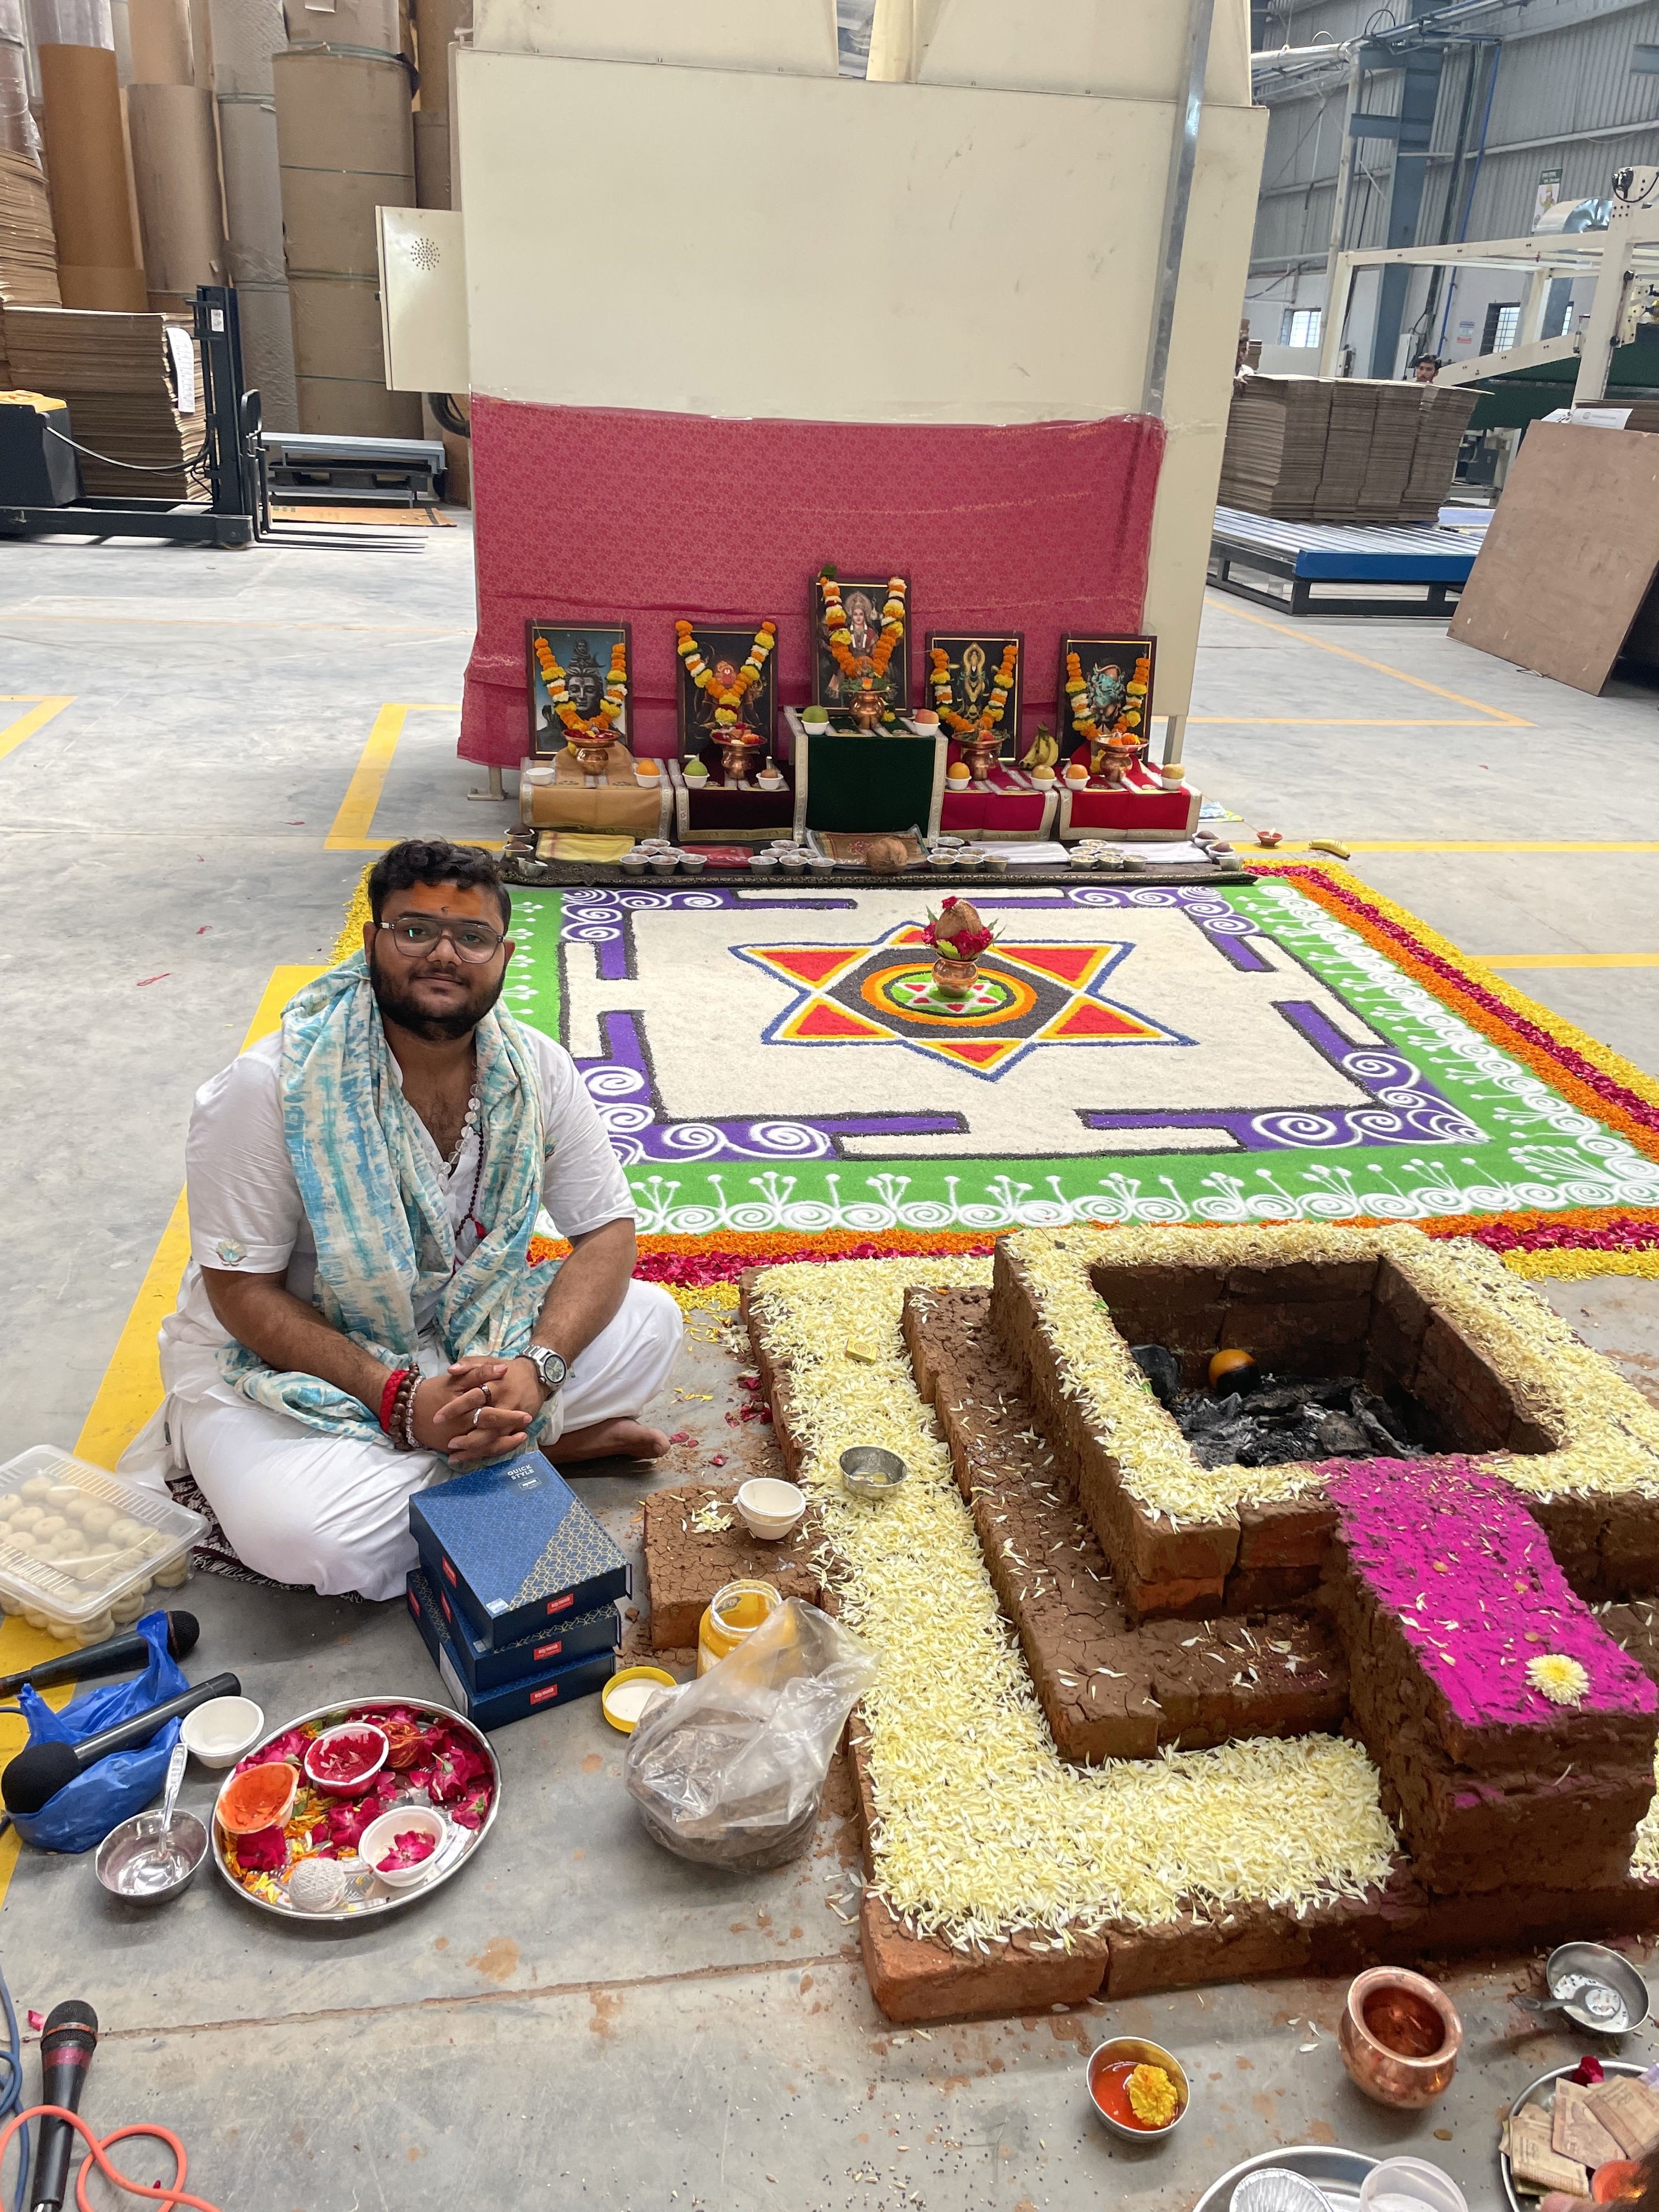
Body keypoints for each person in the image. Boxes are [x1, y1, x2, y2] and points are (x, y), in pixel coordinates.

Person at [119, 838, 681, 1602]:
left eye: (471, 936)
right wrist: (401, 1401)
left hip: (464, 1334)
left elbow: (607, 1232)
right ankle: (537, 1452)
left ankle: (483, 1446)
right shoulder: (269, 1087)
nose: (444, 954)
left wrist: (537, 1370)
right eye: (416, 931)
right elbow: (241, 1293)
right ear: (371, 941)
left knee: (652, 1323)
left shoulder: (535, 1067)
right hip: (294, 1360)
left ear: (504, 955)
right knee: (311, 1538)